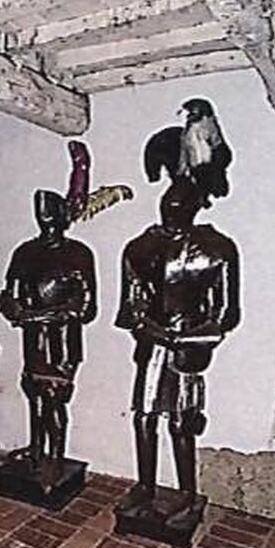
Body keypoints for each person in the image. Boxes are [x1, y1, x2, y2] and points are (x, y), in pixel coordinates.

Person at [115, 177, 240, 524]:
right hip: (152, 343)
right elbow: (131, 309)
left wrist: (187, 339)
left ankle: (187, 491)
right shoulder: (140, 248)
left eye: (181, 203)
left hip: (189, 347)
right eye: (168, 202)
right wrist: (152, 331)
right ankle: (145, 484)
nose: (172, 208)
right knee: (143, 416)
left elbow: (226, 313)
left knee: (182, 422)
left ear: (196, 206)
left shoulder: (217, 248)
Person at [0, 189, 97, 474]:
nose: (45, 218)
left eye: (51, 211)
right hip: (34, 338)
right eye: (41, 212)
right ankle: (36, 449)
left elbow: (86, 309)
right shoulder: (25, 252)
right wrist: (11, 307)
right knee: (33, 392)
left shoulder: (78, 253)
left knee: (53, 397)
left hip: (62, 340)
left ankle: (54, 456)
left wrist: (32, 315)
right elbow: (9, 295)